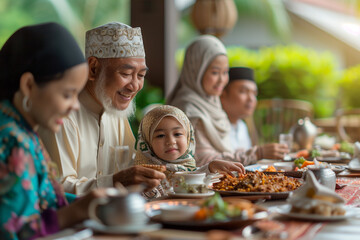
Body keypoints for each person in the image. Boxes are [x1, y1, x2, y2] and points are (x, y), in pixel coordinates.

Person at [0, 22, 108, 240]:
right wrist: (77, 211)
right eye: (68, 95)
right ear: (28, 85)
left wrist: (91, 201)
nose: (76, 106)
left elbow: (44, 199)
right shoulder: (13, 139)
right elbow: (14, 232)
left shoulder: (23, 130)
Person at [39, 22, 165, 195]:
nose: (134, 85)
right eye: (126, 74)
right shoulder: (63, 115)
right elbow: (57, 189)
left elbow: (132, 169)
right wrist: (113, 182)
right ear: (93, 68)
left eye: (141, 75)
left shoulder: (116, 113)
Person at [167, 35, 258, 167]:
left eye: (225, 72)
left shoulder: (213, 105)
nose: (222, 80)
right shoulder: (187, 109)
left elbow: (227, 150)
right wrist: (256, 154)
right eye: (215, 73)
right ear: (196, 71)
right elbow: (202, 160)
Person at [134, 105, 245, 199]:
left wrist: (212, 166)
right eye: (161, 135)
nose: (171, 141)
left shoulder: (188, 167)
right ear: (147, 141)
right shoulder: (141, 176)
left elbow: (191, 177)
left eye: (177, 134)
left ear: (188, 137)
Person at [220, 67, 289, 159]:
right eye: (243, 91)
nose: (251, 99)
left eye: (254, 94)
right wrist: (259, 153)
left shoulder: (242, 126)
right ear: (222, 95)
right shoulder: (213, 126)